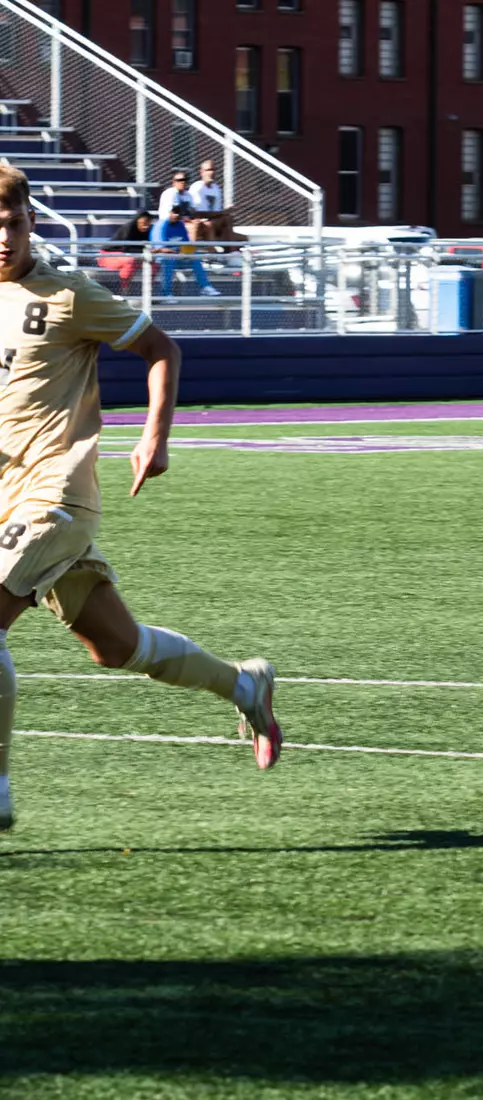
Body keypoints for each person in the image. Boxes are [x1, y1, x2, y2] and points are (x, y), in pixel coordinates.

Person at [0, 166, 282, 831]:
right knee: (116, 647)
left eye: (11, 223)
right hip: (5, 503)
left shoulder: (68, 295)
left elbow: (160, 347)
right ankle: (246, 684)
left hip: (56, 498)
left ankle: (0, 791)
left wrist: (154, 438)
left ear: (31, 221)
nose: (3, 237)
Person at [149, 205, 220, 297]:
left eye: (178, 212)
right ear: (168, 212)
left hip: (178, 256)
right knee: (168, 259)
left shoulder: (180, 224)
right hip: (162, 259)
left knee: (195, 258)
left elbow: (186, 244)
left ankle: (205, 287)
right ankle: (166, 294)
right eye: (174, 212)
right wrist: (177, 252)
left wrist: (187, 251)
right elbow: (161, 250)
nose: (176, 215)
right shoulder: (161, 226)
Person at [97, 211, 153, 290]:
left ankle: (148, 291)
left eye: (148, 223)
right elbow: (126, 249)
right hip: (107, 255)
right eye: (144, 223)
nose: (146, 226)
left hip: (131, 257)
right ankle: (125, 290)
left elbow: (144, 247)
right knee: (129, 261)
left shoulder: (147, 231)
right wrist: (144, 252)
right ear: (137, 220)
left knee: (154, 264)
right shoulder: (128, 228)